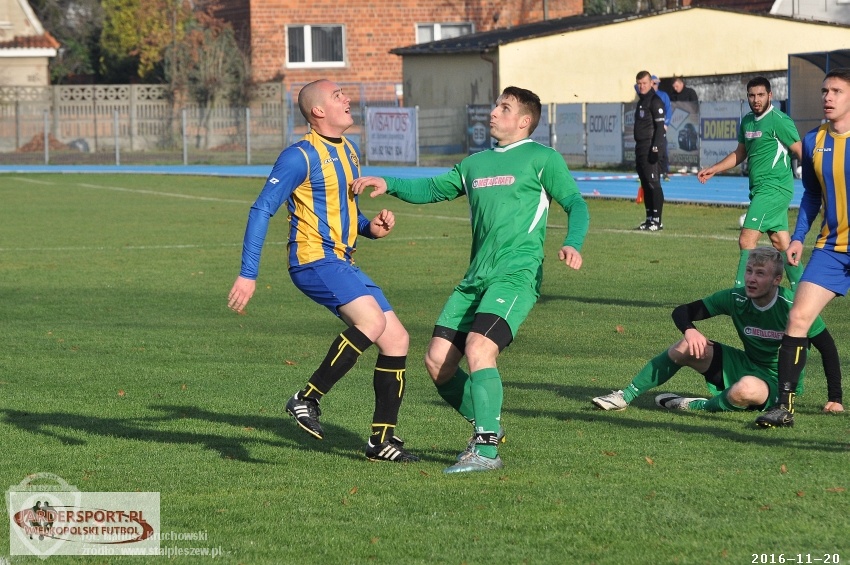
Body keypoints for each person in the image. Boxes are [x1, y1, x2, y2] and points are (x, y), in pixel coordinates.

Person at [351, 86, 589, 473]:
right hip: (475, 279)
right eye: (496, 105)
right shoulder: (475, 164)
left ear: (524, 121)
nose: (493, 112)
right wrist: (389, 183)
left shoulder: (543, 159)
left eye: (504, 108)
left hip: (516, 276)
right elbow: (432, 189)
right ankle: (488, 422)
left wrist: (572, 242)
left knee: (480, 348)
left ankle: (486, 450)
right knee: (437, 363)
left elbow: (575, 203)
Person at [227, 79, 419, 463]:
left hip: (342, 261)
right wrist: (248, 273)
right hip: (313, 259)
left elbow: (346, 212)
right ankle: (307, 398)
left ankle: (381, 441)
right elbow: (261, 209)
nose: (346, 99)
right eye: (337, 96)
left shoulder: (349, 149)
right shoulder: (299, 156)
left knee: (397, 339)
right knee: (371, 322)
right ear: (318, 111)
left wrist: (371, 228)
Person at [592, 247, 843, 415]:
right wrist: (690, 330)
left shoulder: (793, 307)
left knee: (746, 388)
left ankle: (700, 406)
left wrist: (835, 398)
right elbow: (682, 311)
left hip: (779, 383)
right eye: (749, 271)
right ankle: (624, 397)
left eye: (760, 274)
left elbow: (828, 348)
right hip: (744, 364)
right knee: (684, 346)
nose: (751, 279)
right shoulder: (736, 298)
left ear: (777, 280)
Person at [756, 68, 850, 428]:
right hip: (831, 249)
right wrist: (797, 236)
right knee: (797, 319)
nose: (827, 97)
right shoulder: (814, 140)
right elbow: (812, 194)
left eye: (836, 91)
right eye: (825, 91)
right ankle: (784, 407)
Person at [697, 77, 803, 289]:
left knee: (746, 240)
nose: (756, 100)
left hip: (774, 188)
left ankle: (739, 293)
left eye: (761, 95)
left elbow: (800, 150)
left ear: (770, 95)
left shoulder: (779, 120)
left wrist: (818, 180)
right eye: (752, 95)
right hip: (760, 189)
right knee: (782, 243)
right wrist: (715, 168)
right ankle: (802, 290)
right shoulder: (747, 121)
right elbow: (740, 152)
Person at [634, 71, 667, 231]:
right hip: (640, 147)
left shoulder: (655, 101)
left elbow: (660, 128)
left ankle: (657, 220)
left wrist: (655, 147)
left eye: (644, 83)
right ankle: (649, 219)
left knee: (654, 183)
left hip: (650, 147)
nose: (642, 86)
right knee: (645, 184)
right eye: (639, 83)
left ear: (651, 83)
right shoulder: (641, 101)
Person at [652, 75, 673, 181]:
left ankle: (664, 171)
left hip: (660, 127)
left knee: (662, 149)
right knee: (646, 149)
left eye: (655, 83)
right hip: (650, 127)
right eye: (652, 83)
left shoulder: (663, 95)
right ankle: (646, 172)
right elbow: (636, 86)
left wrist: (666, 124)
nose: (654, 85)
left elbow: (668, 110)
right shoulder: (646, 95)